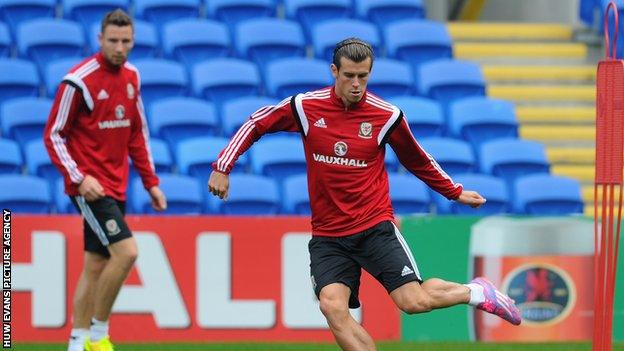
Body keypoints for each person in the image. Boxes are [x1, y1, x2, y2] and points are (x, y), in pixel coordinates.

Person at [208, 37, 521, 350]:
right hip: (328, 235)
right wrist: (223, 166)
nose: (356, 84)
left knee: (413, 302)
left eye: (363, 76)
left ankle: (477, 292)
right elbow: (256, 122)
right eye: (349, 76)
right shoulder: (305, 107)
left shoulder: (386, 116)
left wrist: (454, 192)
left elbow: (417, 159)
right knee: (332, 306)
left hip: (374, 228)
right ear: (334, 71)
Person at [43, 9, 167, 351]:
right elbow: (53, 135)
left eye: (126, 41)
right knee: (126, 253)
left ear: (133, 41)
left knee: (95, 264)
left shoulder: (132, 77)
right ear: (100, 39)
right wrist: (80, 179)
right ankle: (98, 335)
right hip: (92, 187)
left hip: (118, 183)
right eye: (113, 40)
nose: (119, 47)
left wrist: (150, 182)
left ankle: (76, 341)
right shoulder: (78, 81)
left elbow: (137, 133)